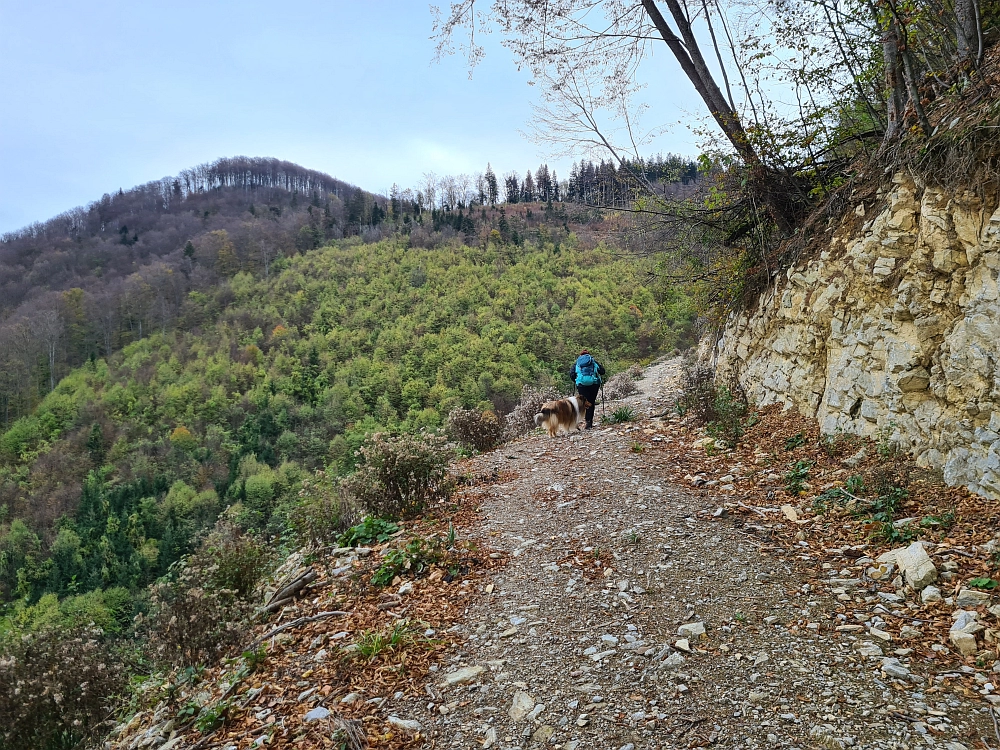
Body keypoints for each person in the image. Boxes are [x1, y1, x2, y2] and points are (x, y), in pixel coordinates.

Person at [567, 349, 606, 429]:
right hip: (594, 384)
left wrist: (576, 380)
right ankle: (589, 422)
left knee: (583, 403)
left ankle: (578, 421)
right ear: (589, 355)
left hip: (581, 385)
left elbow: (572, 374)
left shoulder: (577, 363)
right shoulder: (593, 362)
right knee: (591, 402)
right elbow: (602, 371)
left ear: (580, 355)